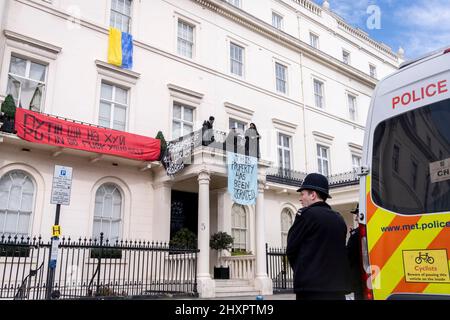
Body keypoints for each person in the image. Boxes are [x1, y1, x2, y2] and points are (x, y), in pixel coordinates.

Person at [286, 173, 351, 300]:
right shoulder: (339, 218)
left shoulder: (306, 215)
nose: (301, 198)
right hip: (337, 289)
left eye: (302, 194)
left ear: (313, 195)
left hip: (311, 289)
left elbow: (291, 249)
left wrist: (304, 271)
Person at [346, 204, 364, 300]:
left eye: (357, 215)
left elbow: (349, 254)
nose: (356, 218)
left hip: (358, 275)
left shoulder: (356, 233)